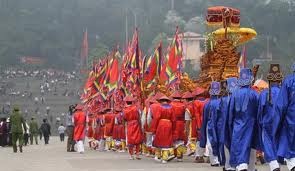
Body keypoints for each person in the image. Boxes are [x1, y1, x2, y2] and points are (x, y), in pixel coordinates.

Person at [228, 68, 259, 171]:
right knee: (250, 145)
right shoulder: (254, 94)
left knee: (237, 144)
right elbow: (258, 111)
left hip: (237, 124)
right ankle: (248, 167)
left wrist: (230, 124)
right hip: (251, 124)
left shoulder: (234, 94)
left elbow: (231, 112)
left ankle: (240, 165)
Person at [257, 64, 283, 171]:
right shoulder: (283, 92)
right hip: (280, 121)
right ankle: (278, 160)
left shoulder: (264, 93)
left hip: (267, 121)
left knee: (268, 141)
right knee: (278, 140)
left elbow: (260, 110)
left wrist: (259, 121)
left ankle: (273, 163)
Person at [275, 63, 295, 171]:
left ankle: (292, 164)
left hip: (291, 119)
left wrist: (278, 121)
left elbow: (281, 105)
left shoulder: (288, 81)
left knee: (289, 142)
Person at [199, 81, 221, 167]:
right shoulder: (221, 102)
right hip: (219, 125)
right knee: (219, 141)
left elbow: (204, 118)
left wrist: (203, 127)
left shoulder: (207, 104)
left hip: (210, 124)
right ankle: (219, 158)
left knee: (210, 142)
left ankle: (214, 160)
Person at [152, 94, 175, 164]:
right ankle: (164, 158)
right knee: (167, 140)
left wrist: (154, 128)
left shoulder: (159, 108)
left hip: (161, 124)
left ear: (161, 101)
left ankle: (157, 155)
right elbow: (174, 119)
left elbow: (156, 118)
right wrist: (173, 128)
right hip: (169, 124)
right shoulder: (171, 108)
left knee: (159, 139)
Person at [123, 96, 143, 160]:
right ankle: (137, 154)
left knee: (130, 140)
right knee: (137, 139)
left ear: (126, 102)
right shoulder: (136, 108)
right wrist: (140, 125)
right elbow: (139, 117)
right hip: (136, 124)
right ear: (132, 102)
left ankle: (131, 155)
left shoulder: (125, 110)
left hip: (129, 124)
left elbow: (124, 118)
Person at [170, 91, 186, 162]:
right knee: (181, 139)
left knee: (173, 139)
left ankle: (173, 154)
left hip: (173, 123)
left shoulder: (170, 105)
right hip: (181, 123)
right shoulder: (183, 105)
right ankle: (180, 156)